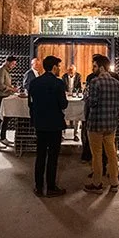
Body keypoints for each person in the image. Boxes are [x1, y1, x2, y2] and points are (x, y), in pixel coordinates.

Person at [28, 55, 68, 198]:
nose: (60, 69)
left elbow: (30, 104)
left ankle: (39, 187)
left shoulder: (34, 83)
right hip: (55, 125)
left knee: (40, 155)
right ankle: (51, 187)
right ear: (54, 67)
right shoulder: (58, 83)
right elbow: (63, 104)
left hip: (40, 124)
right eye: (59, 66)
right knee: (52, 157)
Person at [84, 54, 119, 194]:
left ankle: (97, 184)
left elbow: (92, 103)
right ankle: (114, 183)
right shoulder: (116, 83)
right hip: (111, 125)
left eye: (94, 66)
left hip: (96, 125)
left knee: (97, 155)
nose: (92, 69)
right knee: (112, 154)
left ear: (100, 67)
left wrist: (87, 98)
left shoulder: (95, 82)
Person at [0, 56, 18, 150]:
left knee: (6, 118)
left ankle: (3, 138)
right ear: (7, 62)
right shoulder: (1, 71)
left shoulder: (6, 71)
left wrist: (11, 88)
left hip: (6, 97)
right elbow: (0, 86)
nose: (14, 66)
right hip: (0, 97)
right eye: (13, 64)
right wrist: (12, 89)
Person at [62, 64, 82, 141]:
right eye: (69, 70)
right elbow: (63, 87)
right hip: (66, 98)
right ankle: (63, 135)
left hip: (74, 98)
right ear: (67, 71)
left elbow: (79, 87)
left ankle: (76, 134)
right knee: (63, 116)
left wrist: (75, 92)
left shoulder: (78, 76)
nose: (71, 72)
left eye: (72, 70)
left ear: (75, 71)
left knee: (78, 115)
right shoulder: (64, 77)